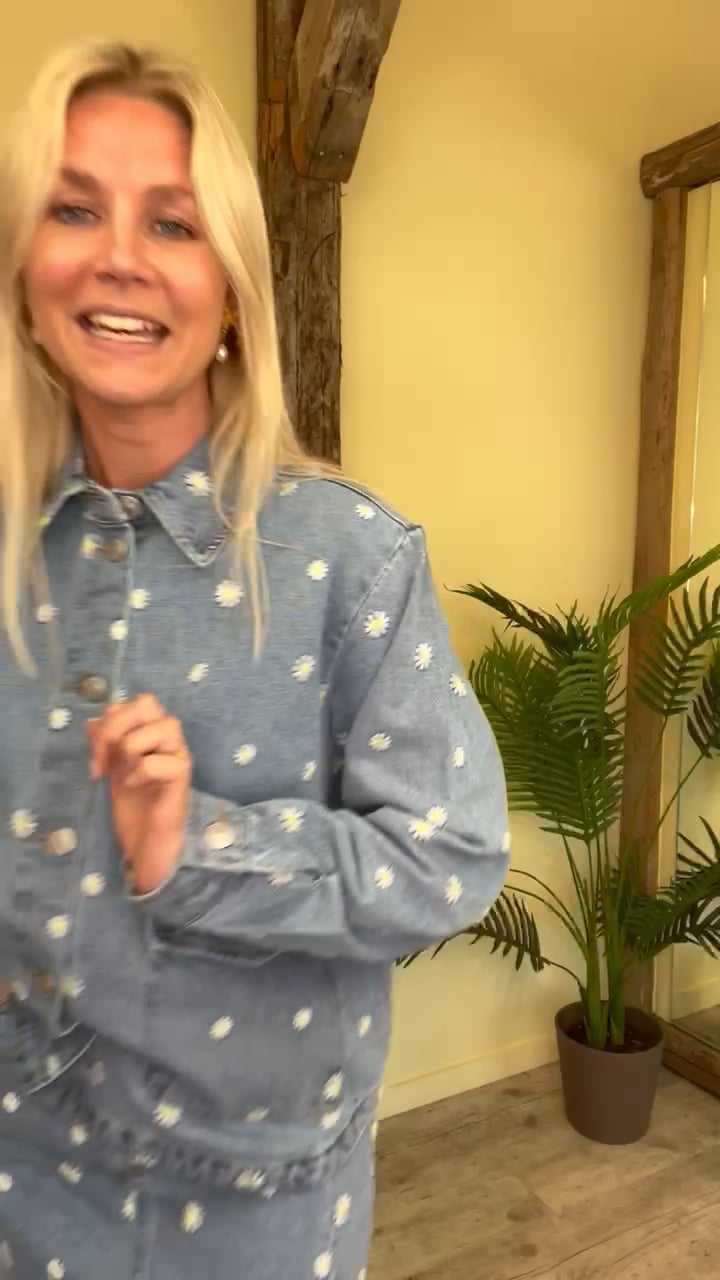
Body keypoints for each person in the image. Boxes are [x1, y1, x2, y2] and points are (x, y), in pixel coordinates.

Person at [0, 39, 509, 1280]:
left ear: (231, 291)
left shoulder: (350, 557)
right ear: (22, 271)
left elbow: (454, 855)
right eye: (75, 208)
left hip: (250, 1207)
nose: (120, 255)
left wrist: (204, 847)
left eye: (173, 223)